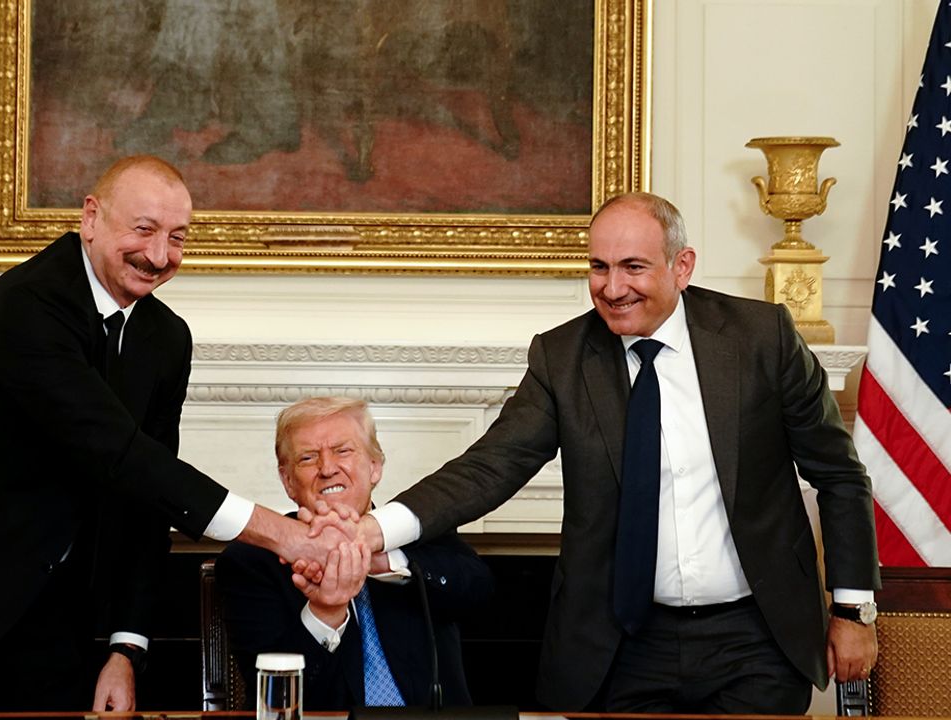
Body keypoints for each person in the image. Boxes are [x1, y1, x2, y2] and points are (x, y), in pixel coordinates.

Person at [322, 192, 880, 713]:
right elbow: (490, 466)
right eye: (599, 267)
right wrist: (374, 531)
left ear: (682, 266)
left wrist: (852, 609)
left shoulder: (761, 338)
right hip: (621, 645)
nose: (613, 288)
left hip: (754, 638)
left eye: (633, 267)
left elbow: (839, 475)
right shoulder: (562, 357)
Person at [0, 155, 343, 714]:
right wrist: (284, 535)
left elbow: (147, 501)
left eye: (177, 238)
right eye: (143, 229)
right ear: (91, 218)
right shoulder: (28, 304)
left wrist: (127, 648)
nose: (158, 255)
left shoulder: (167, 339)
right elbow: (121, 455)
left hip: (44, 601)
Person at [217, 397, 492, 710]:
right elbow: (274, 698)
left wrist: (383, 559)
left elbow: (480, 594)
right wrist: (325, 612)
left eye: (343, 451)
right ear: (288, 481)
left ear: (375, 466)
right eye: (308, 458)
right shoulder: (252, 561)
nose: (327, 468)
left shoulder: (420, 528)